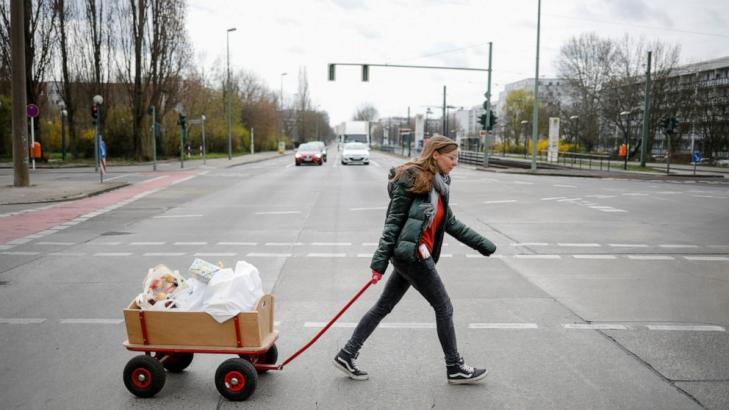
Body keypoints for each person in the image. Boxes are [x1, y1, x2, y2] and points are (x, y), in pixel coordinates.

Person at [333, 135, 497, 385]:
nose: (455, 163)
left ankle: (346, 353)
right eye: (452, 158)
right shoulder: (411, 181)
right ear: (435, 155)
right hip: (413, 257)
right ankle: (455, 367)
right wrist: (379, 264)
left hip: (411, 256)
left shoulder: (440, 184)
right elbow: (392, 224)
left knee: (382, 307)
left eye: (457, 158)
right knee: (444, 307)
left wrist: (482, 244)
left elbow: (450, 223)